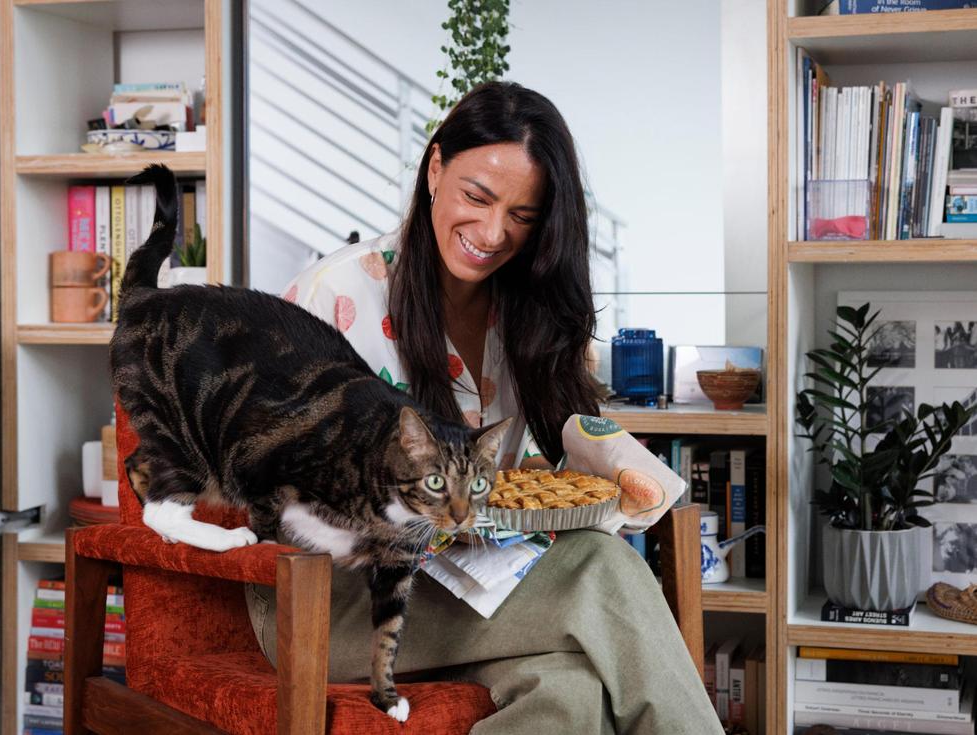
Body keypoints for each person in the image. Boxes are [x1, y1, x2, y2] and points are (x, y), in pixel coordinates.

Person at [248, 81, 722, 733]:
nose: (493, 232)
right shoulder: (336, 296)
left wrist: (621, 469)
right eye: (477, 196)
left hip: (476, 584)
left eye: (522, 217)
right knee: (601, 569)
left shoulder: (519, 314)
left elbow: (560, 442)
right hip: (330, 603)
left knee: (572, 690)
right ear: (435, 167)